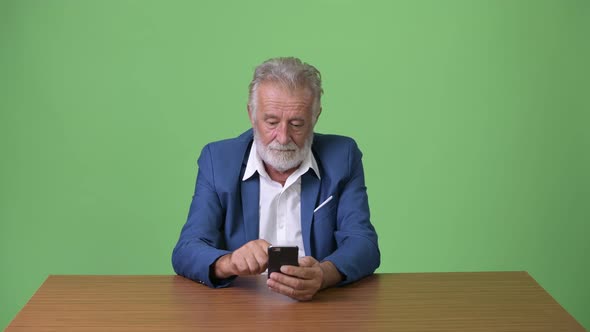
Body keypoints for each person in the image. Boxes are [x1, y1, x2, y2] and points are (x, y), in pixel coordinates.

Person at [172, 57, 380, 301]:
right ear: (251, 114)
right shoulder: (217, 160)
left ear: (316, 116)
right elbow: (186, 250)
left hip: (319, 307)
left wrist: (323, 275)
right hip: (240, 308)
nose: (283, 138)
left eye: (297, 124)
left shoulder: (342, 156)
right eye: (271, 122)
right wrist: (228, 262)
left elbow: (364, 244)